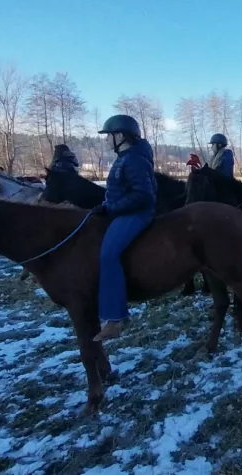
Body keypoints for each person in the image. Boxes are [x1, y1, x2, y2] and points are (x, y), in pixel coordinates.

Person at [91, 114, 157, 341]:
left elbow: (143, 194)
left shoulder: (135, 159)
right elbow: (119, 190)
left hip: (136, 213)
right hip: (121, 210)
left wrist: (112, 208)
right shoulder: (125, 157)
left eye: (109, 135)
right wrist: (105, 205)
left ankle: (115, 318)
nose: (107, 140)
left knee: (108, 255)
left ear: (120, 135)